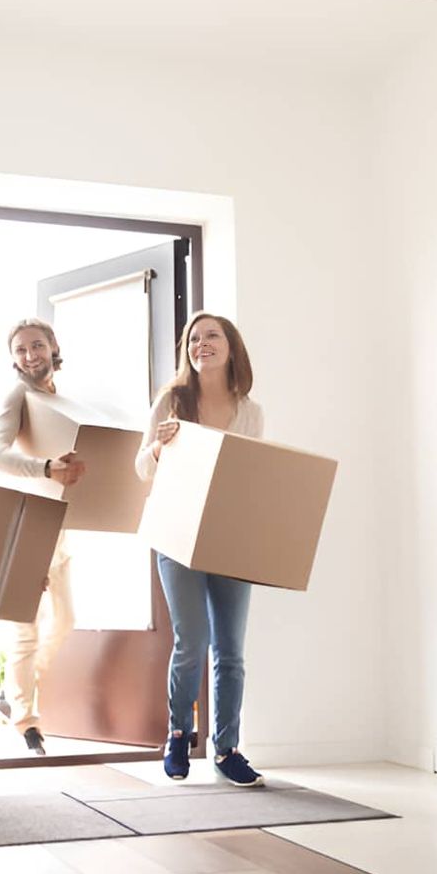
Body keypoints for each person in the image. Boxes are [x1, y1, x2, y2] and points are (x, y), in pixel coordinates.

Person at [136, 312, 266, 787]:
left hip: (230, 535)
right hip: (176, 533)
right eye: (194, 338)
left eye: (212, 336)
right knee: (191, 641)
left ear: (231, 347)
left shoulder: (249, 410)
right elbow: (140, 468)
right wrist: (156, 449)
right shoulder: (172, 401)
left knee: (230, 650)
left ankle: (227, 748)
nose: (202, 343)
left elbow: (252, 476)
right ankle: (177, 735)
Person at [0, 318, 85, 754]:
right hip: (28, 522)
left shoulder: (61, 400)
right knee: (26, 629)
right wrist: (44, 467)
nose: (30, 354)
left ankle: (9, 694)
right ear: (14, 358)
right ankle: (26, 720)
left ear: (53, 348)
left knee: (64, 620)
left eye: (37, 346)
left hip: (61, 524)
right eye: (22, 349)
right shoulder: (18, 396)